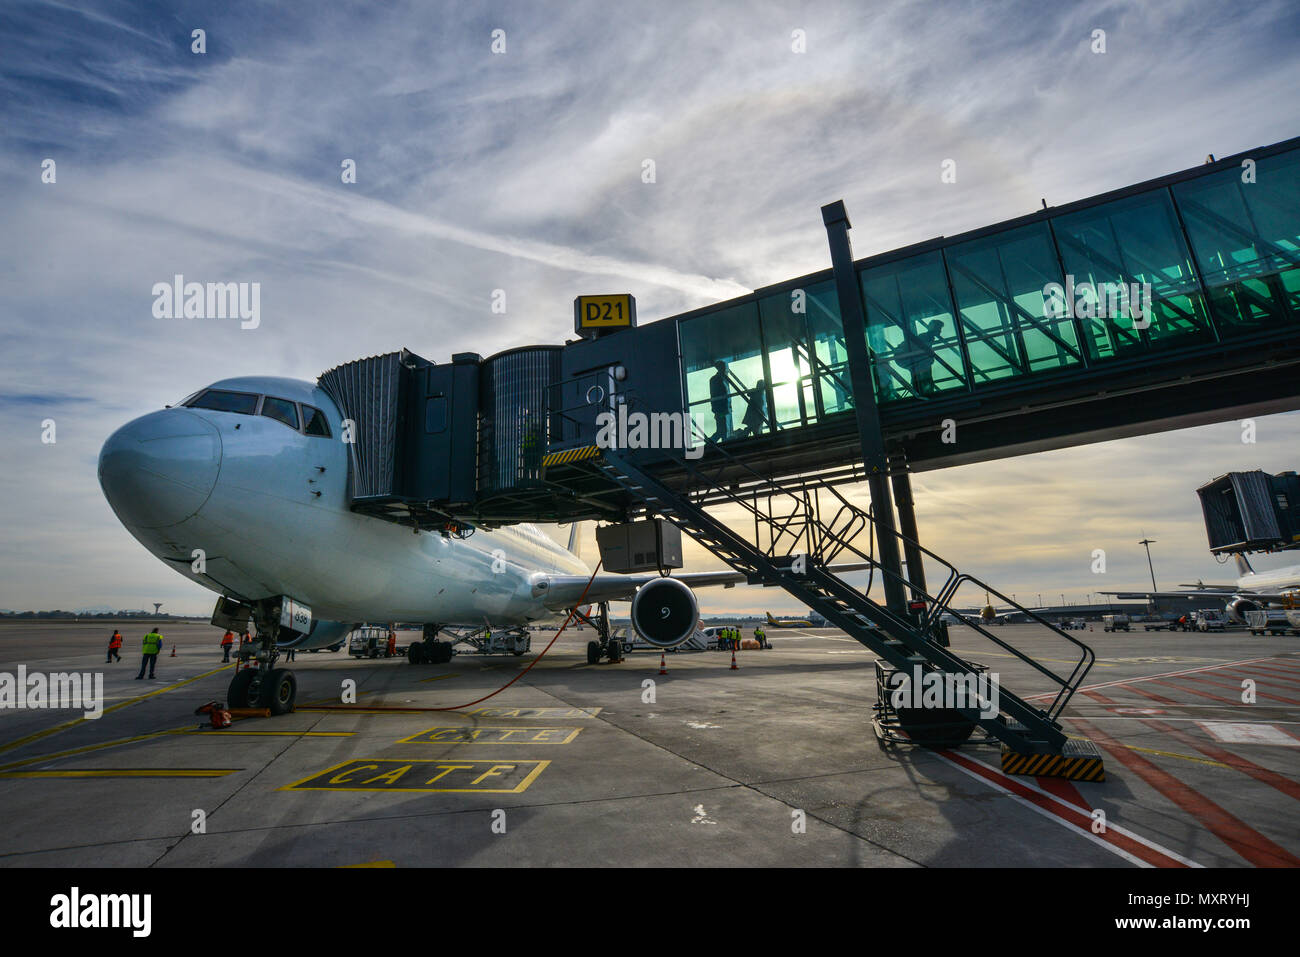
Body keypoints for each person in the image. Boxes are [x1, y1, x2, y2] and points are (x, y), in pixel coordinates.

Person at [896, 320, 945, 396]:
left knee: (923, 370)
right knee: (925, 368)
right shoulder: (927, 337)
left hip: (906, 358)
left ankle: (920, 390)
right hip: (908, 358)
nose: (940, 331)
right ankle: (923, 391)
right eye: (939, 328)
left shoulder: (926, 337)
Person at [709, 361, 731, 441]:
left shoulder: (720, 379)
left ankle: (711, 443)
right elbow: (715, 395)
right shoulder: (716, 379)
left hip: (723, 410)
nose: (726, 369)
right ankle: (710, 444)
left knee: (722, 430)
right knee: (722, 430)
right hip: (721, 410)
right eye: (725, 367)